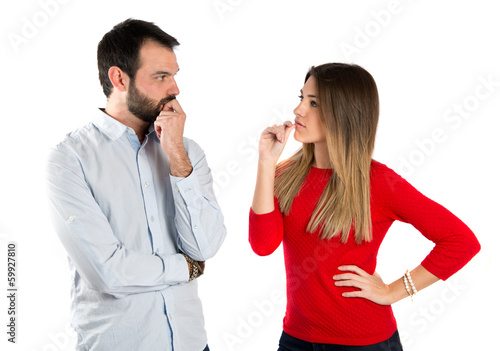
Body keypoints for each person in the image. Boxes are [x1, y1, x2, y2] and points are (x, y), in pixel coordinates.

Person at [249, 63, 480, 350]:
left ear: (343, 112)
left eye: (314, 103)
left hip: (364, 341)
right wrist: (266, 163)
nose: (299, 110)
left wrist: (394, 291)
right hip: (297, 339)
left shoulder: (378, 182)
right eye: (301, 98)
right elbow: (263, 245)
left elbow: (461, 241)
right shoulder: (283, 175)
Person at [46, 19, 226, 351]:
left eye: (174, 75)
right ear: (119, 78)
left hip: (192, 344)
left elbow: (205, 247)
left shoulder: (188, 152)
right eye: (161, 77)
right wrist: (183, 267)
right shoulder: (69, 160)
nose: (175, 89)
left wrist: (176, 156)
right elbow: (107, 272)